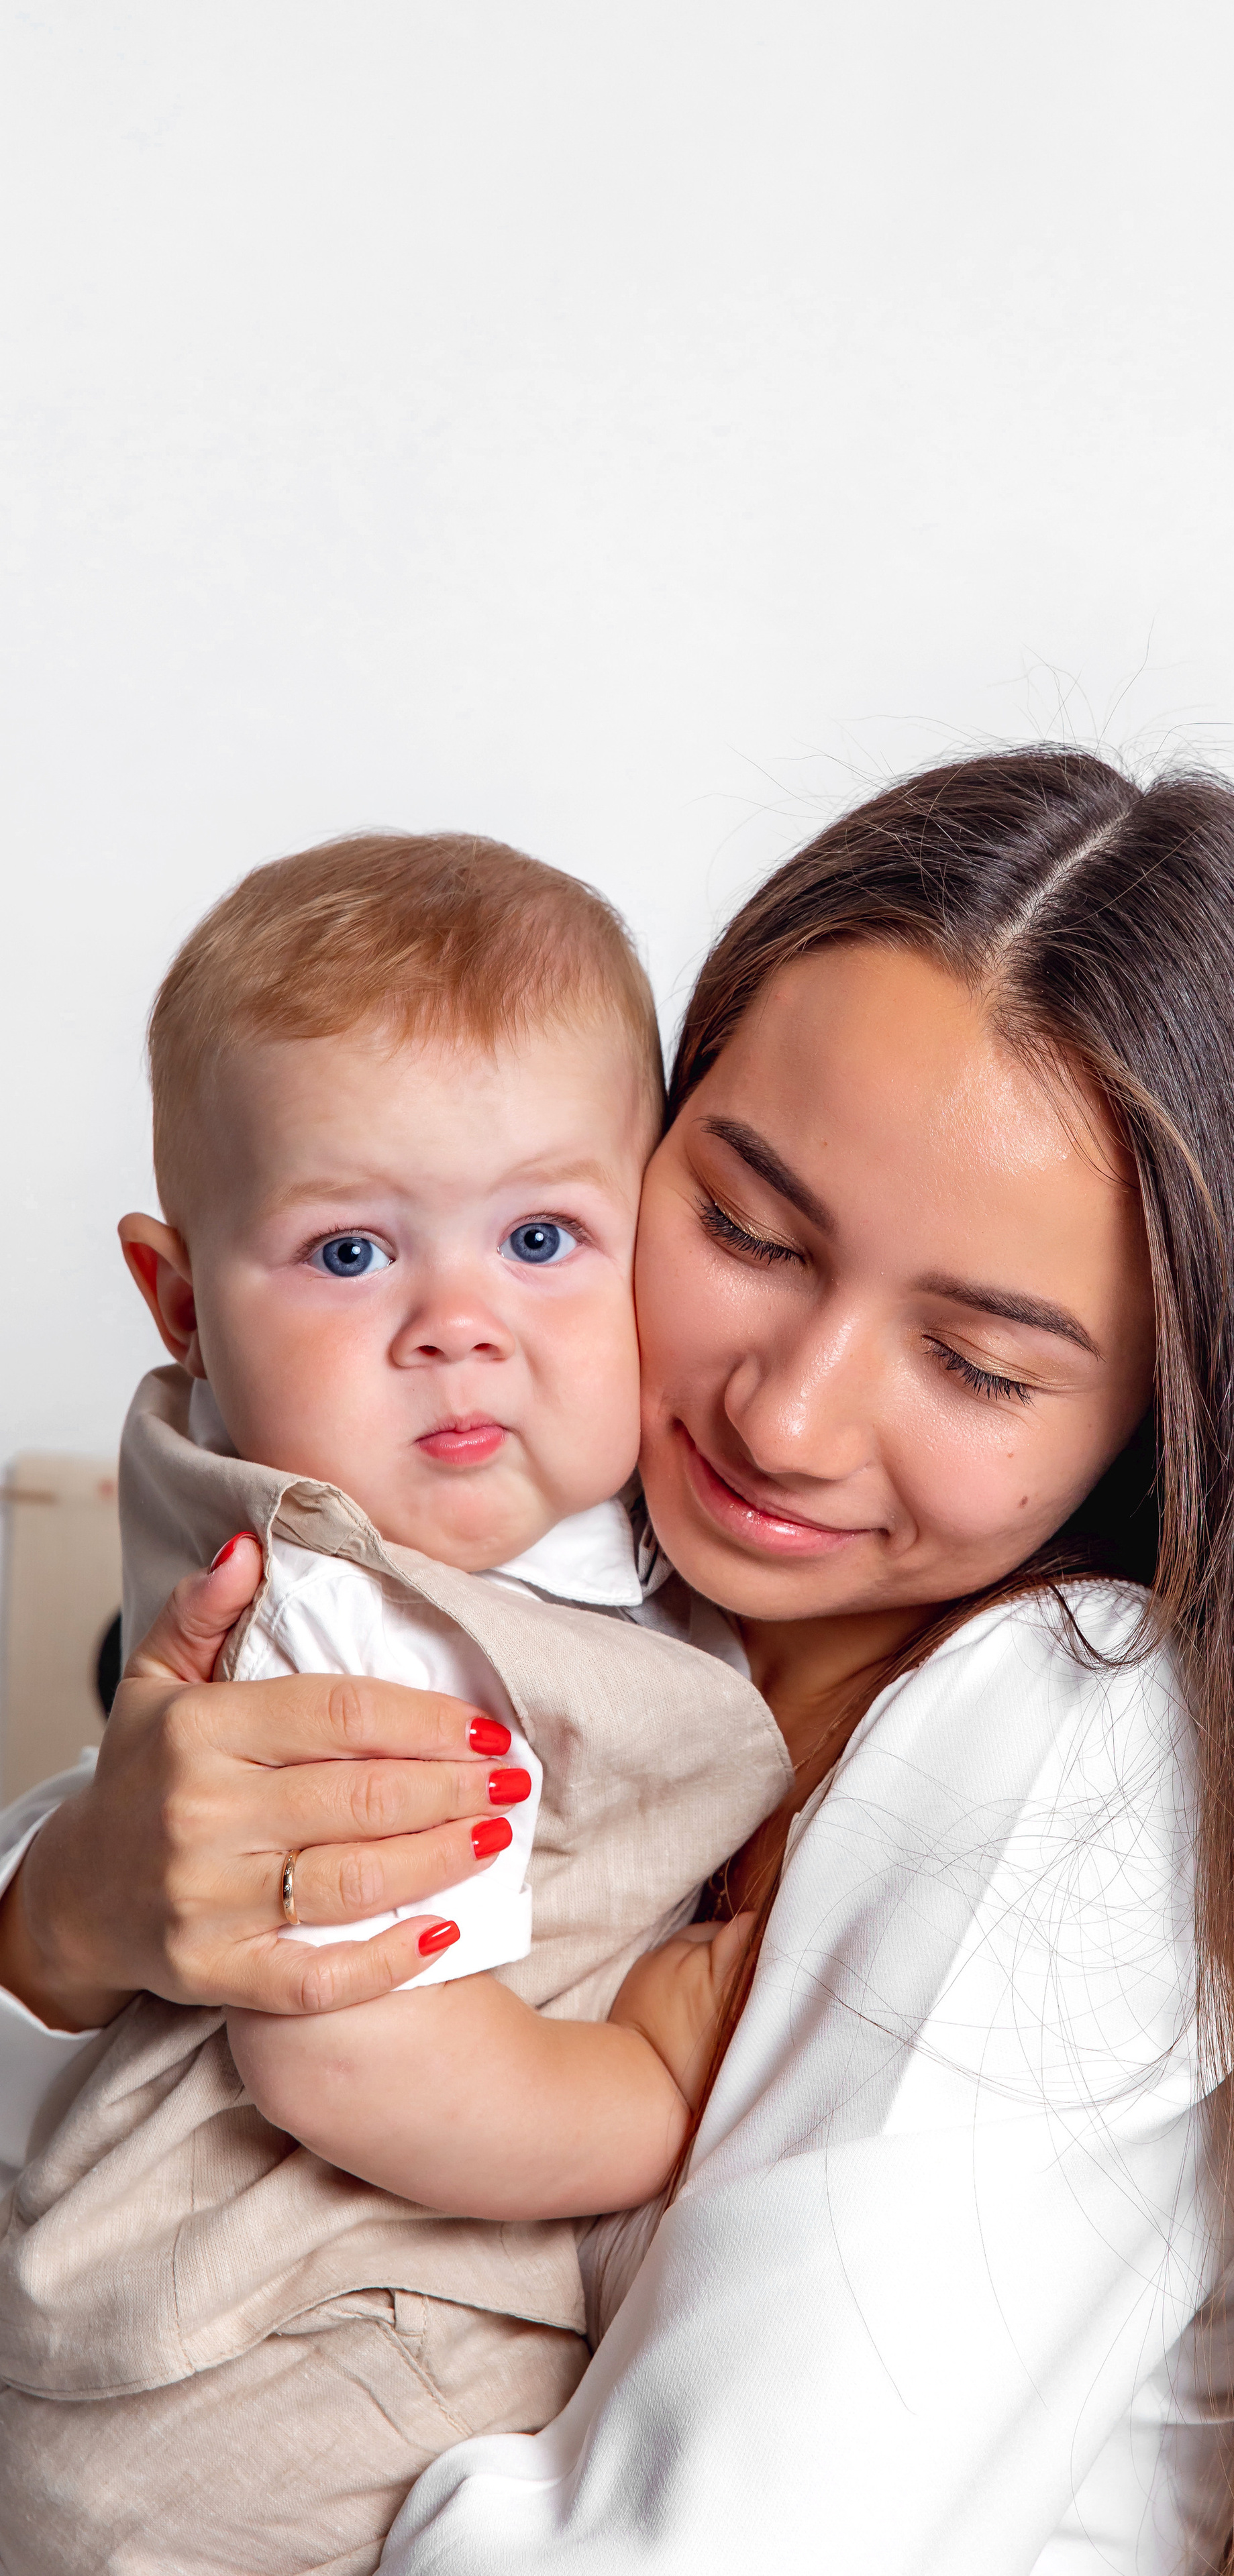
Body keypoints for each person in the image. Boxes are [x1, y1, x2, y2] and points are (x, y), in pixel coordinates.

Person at [0, 750, 1234, 2576]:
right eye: (747, 1228)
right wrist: (68, 1920)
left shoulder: (1067, 1731)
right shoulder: (549, 1588)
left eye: (977, 1363)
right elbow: (131, 2197)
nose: (789, 1416)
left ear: (1160, 1425)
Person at [0, 835, 788, 2574]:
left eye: (540, 1235)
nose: (459, 1325)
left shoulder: (605, 1537)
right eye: (352, 1253)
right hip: (259, 2387)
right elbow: (354, 2059)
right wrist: (656, 2072)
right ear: (184, 1301)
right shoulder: (342, 1624)